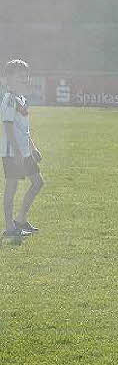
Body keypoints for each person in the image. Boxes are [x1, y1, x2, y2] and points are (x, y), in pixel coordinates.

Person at [1, 59, 43, 238]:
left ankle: (20, 220)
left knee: (38, 183)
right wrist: (18, 152)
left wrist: (33, 148)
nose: (24, 78)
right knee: (12, 188)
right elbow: (8, 125)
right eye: (20, 75)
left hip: (25, 152)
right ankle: (10, 228)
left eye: (25, 75)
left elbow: (23, 128)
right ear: (8, 78)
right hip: (13, 153)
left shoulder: (22, 98)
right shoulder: (9, 98)